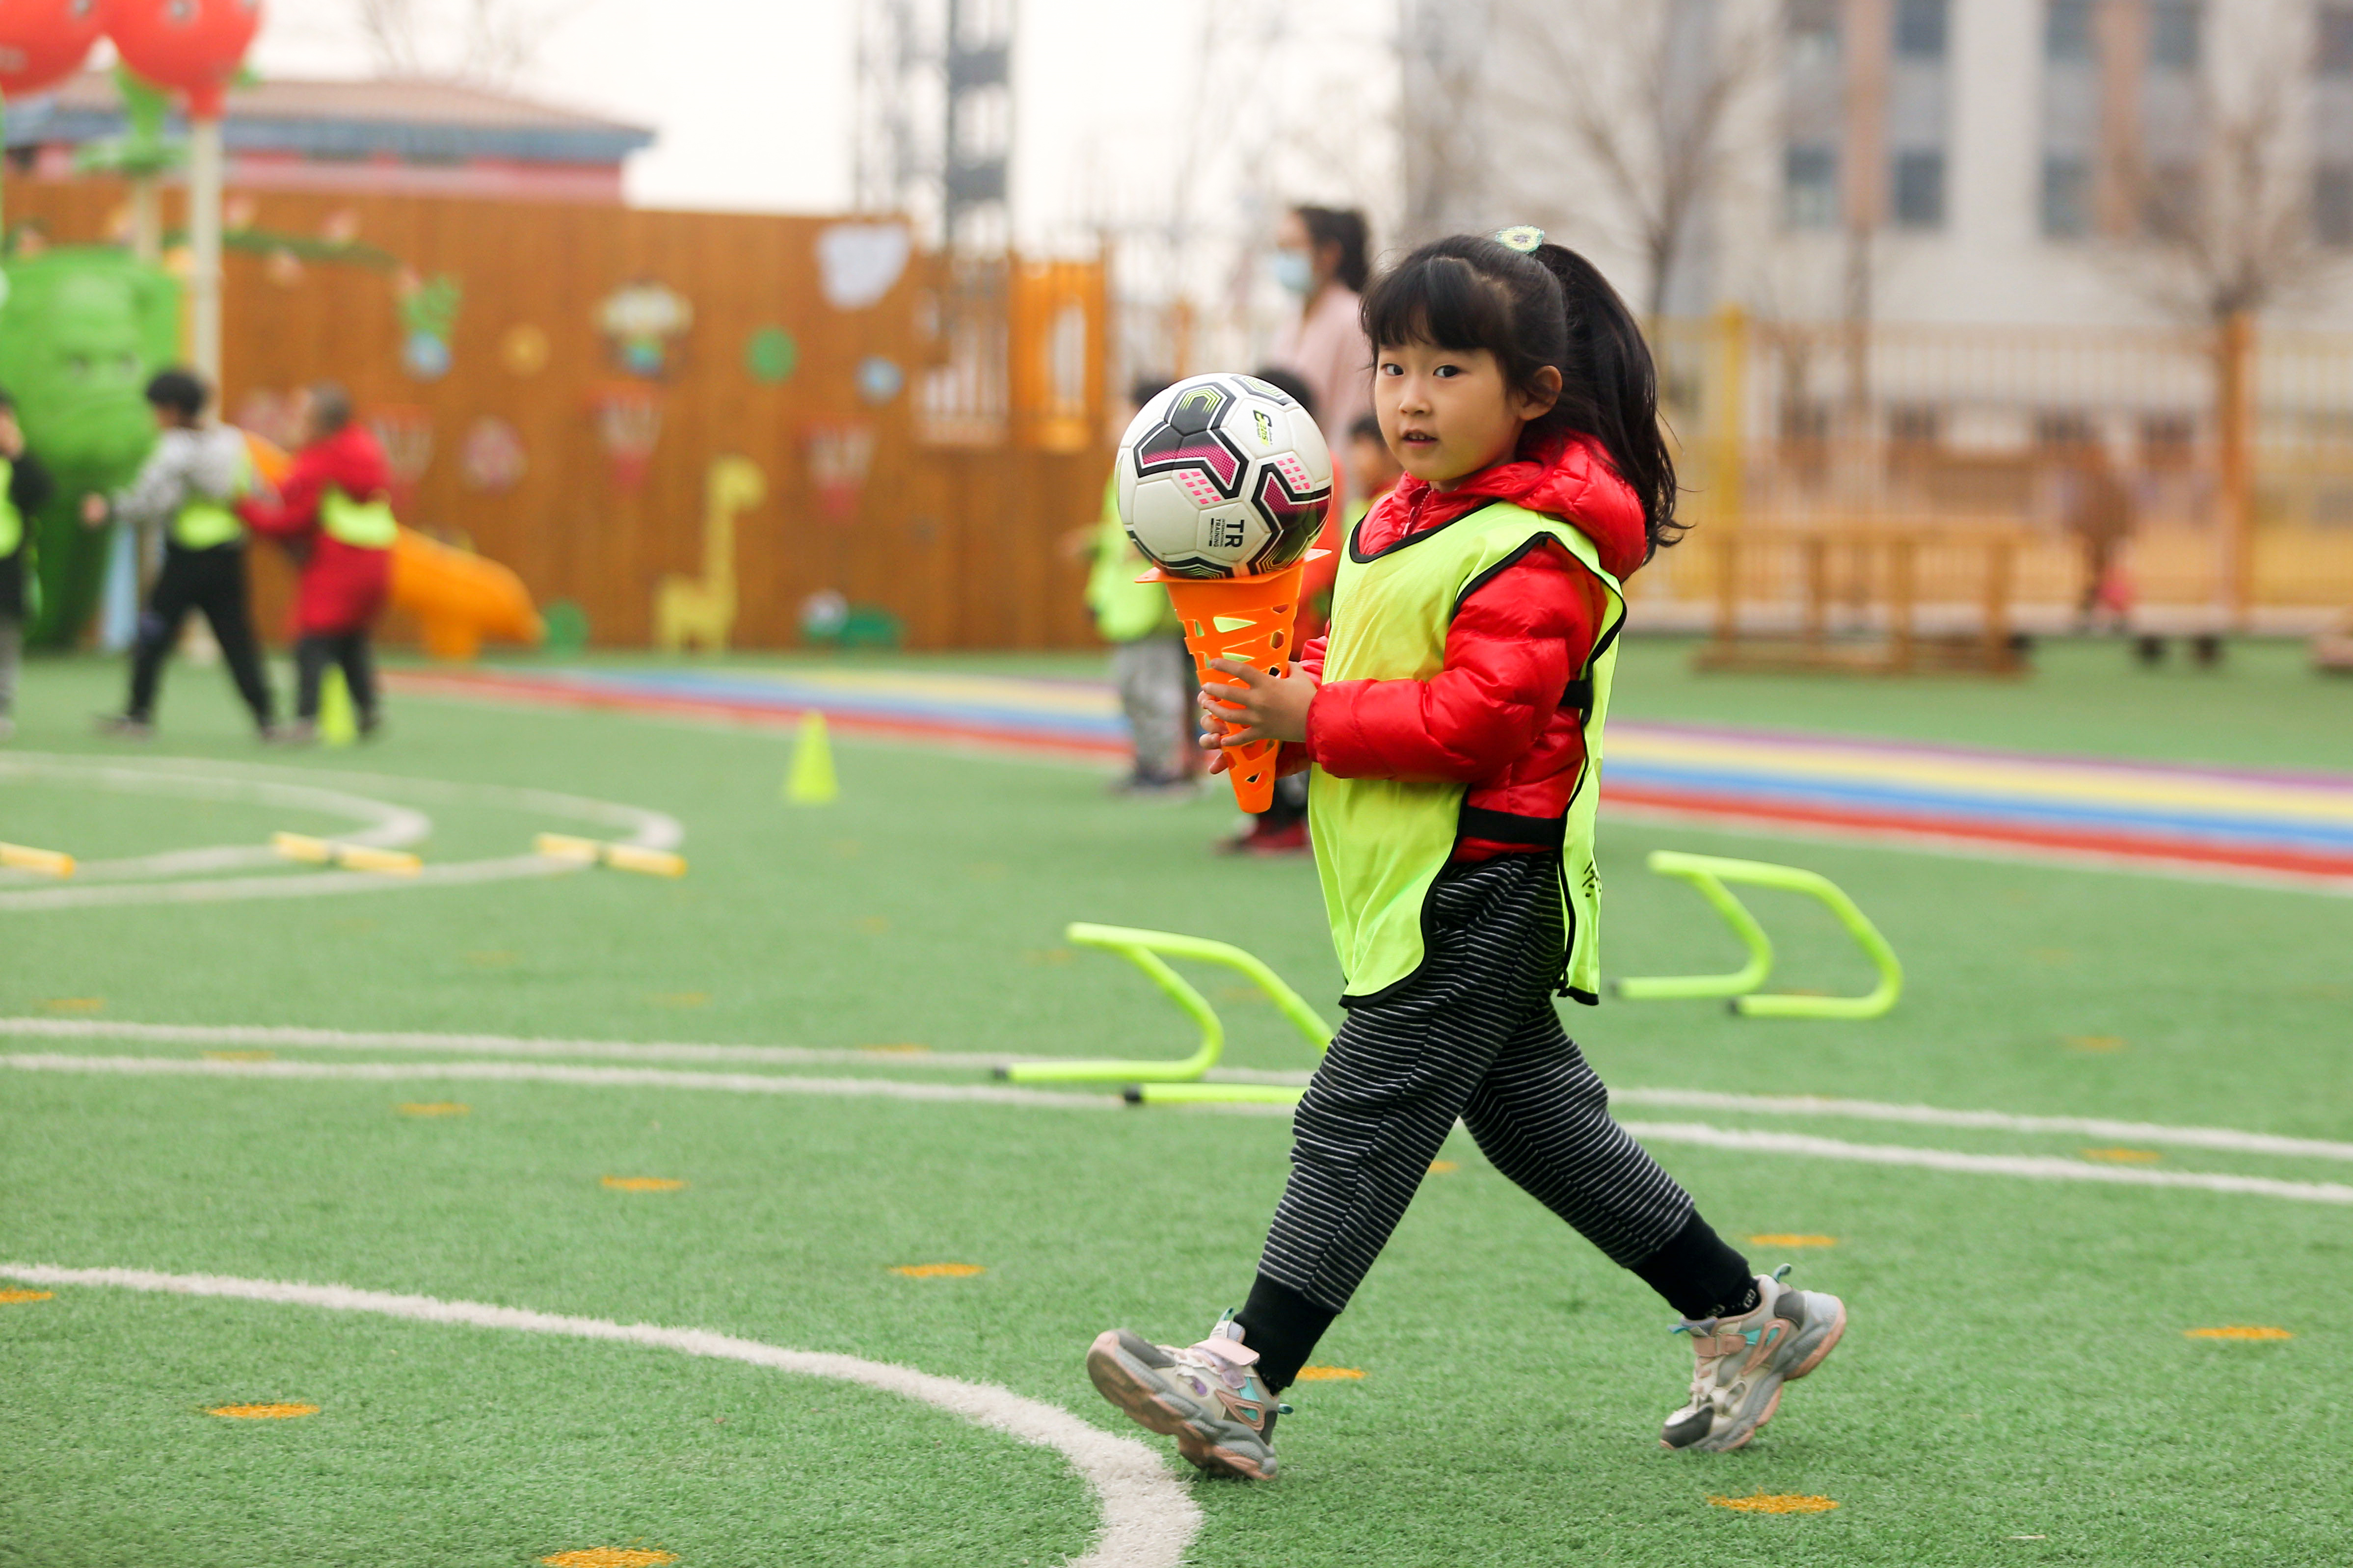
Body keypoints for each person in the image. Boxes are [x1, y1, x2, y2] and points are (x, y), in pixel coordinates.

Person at [1085, 230, 1846, 1480]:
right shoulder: (1403, 513)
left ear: (1531, 392)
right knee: (1539, 1128)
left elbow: (1477, 720)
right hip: (1422, 878)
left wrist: (1313, 719)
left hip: (1483, 879)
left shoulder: (1539, 545)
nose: (1408, 397)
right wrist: (1298, 681)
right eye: (1391, 367)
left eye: (1447, 369)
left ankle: (1242, 1376)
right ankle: (1749, 1316)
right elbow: (1380, 659)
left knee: (1356, 1112)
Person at [86, 369, 276, 740]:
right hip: (228, 556)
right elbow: (256, 489)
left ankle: (139, 713)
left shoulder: (174, 449)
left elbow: (150, 500)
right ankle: (266, 718)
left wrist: (108, 509)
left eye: (156, 410)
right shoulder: (232, 440)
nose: (153, 418)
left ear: (171, 410)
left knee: (153, 634)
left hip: (187, 558)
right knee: (237, 639)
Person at [238, 383, 397, 741]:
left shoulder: (321, 459)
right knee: (349, 638)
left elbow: (293, 520)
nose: (293, 421)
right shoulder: (362, 447)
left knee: (312, 640)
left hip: (338, 565)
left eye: (300, 415)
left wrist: (245, 508)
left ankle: (306, 720)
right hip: (375, 562)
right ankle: (368, 708)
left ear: (320, 423)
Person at [1215, 365, 1323, 854]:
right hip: (1249, 620)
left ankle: (1286, 824)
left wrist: (1279, 596)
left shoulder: (1320, 466)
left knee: (1283, 718)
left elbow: (1326, 545)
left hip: (1294, 628)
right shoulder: (1239, 461)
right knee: (1242, 719)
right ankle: (1261, 820)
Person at [1268, 205, 1375, 466]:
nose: (1282, 259)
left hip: (1331, 479)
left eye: (1292, 248)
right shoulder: (1291, 322)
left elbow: (1353, 422)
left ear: (1329, 254)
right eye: (1279, 248)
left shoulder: (1354, 319)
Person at [0, 388, 56, 742]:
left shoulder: (18, 465)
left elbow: (45, 492)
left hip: (8, 563)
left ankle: (2, 704)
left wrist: (17, 451)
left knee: (7, 636)